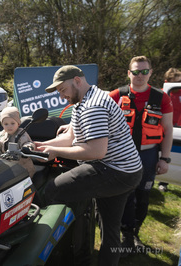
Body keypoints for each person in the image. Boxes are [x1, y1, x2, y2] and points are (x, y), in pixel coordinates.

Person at [35, 65, 143, 265]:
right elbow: (70, 137)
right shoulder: (85, 99)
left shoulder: (93, 106)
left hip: (115, 170)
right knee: (110, 230)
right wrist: (42, 145)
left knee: (49, 191)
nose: (61, 96)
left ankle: (54, 251)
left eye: (62, 90)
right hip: (128, 170)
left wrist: (56, 152)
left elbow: (95, 151)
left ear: (77, 80)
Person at [108, 56, 173, 253]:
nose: (140, 75)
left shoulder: (161, 97)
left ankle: (135, 232)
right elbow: (92, 115)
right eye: (135, 72)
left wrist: (164, 158)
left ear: (151, 72)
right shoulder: (116, 95)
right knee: (125, 193)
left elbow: (168, 129)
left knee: (143, 195)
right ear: (129, 73)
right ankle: (125, 233)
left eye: (144, 71)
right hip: (122, 155)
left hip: (148, 155)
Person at [0, 106, 36, 178]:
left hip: (24, 167)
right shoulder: (2, 135)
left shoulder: (22, 134)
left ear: (18, 123)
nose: (9, 126)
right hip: (7, 167)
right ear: (2, 125)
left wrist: (27, 148)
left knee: (25, 183)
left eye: (12, 123)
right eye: (6, 124)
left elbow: (29, 143)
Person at [158, 67, 181, 192]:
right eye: (175, 82)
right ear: (167, 81)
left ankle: (164, 181)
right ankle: (160, 181)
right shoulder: (161, 94)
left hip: (175, 130)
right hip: (162, 131)